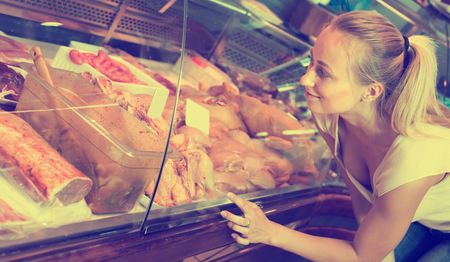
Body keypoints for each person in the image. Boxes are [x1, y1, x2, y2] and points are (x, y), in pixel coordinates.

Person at [220, 10, 450, 262]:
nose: (304, 79)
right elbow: (363, 202)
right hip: (420, 217)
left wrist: (269, 233)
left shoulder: (414, 152)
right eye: (311, 62)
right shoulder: (331, 114)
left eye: (324, 72)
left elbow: (361, 256)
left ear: (371, 91)